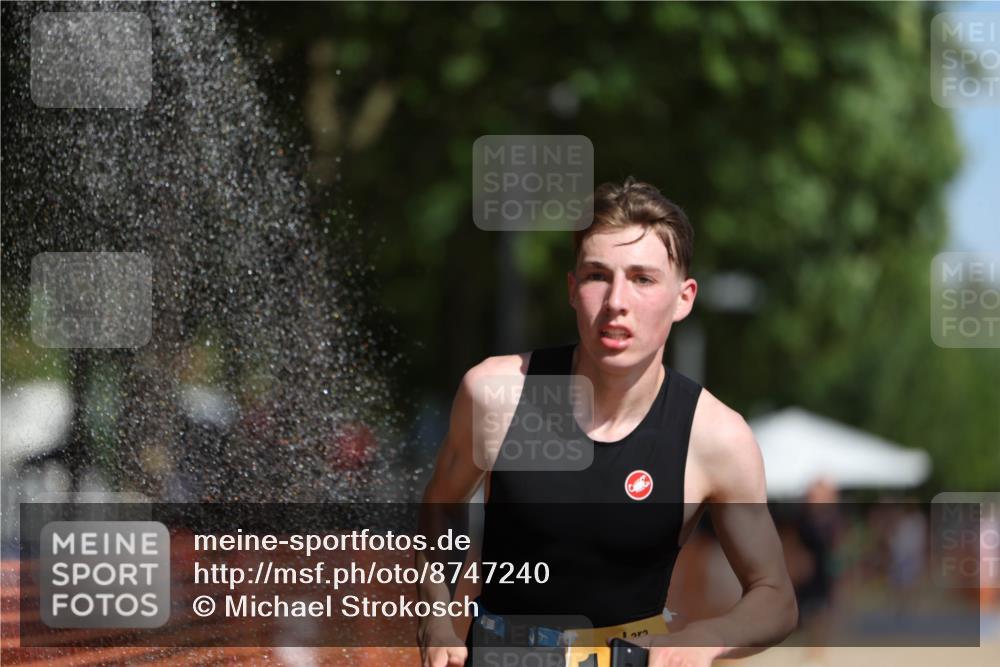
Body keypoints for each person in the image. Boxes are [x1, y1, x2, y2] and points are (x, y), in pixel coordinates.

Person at [417, 178, 798, 667]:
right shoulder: (499, 394)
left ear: (684, 298)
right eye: (598, 275)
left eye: (643, 279)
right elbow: (440, 506)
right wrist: (435, 613)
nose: (617, 300)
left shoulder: (715, 437)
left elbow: (775, 597)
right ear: (573, 290)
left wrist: (708, 637)